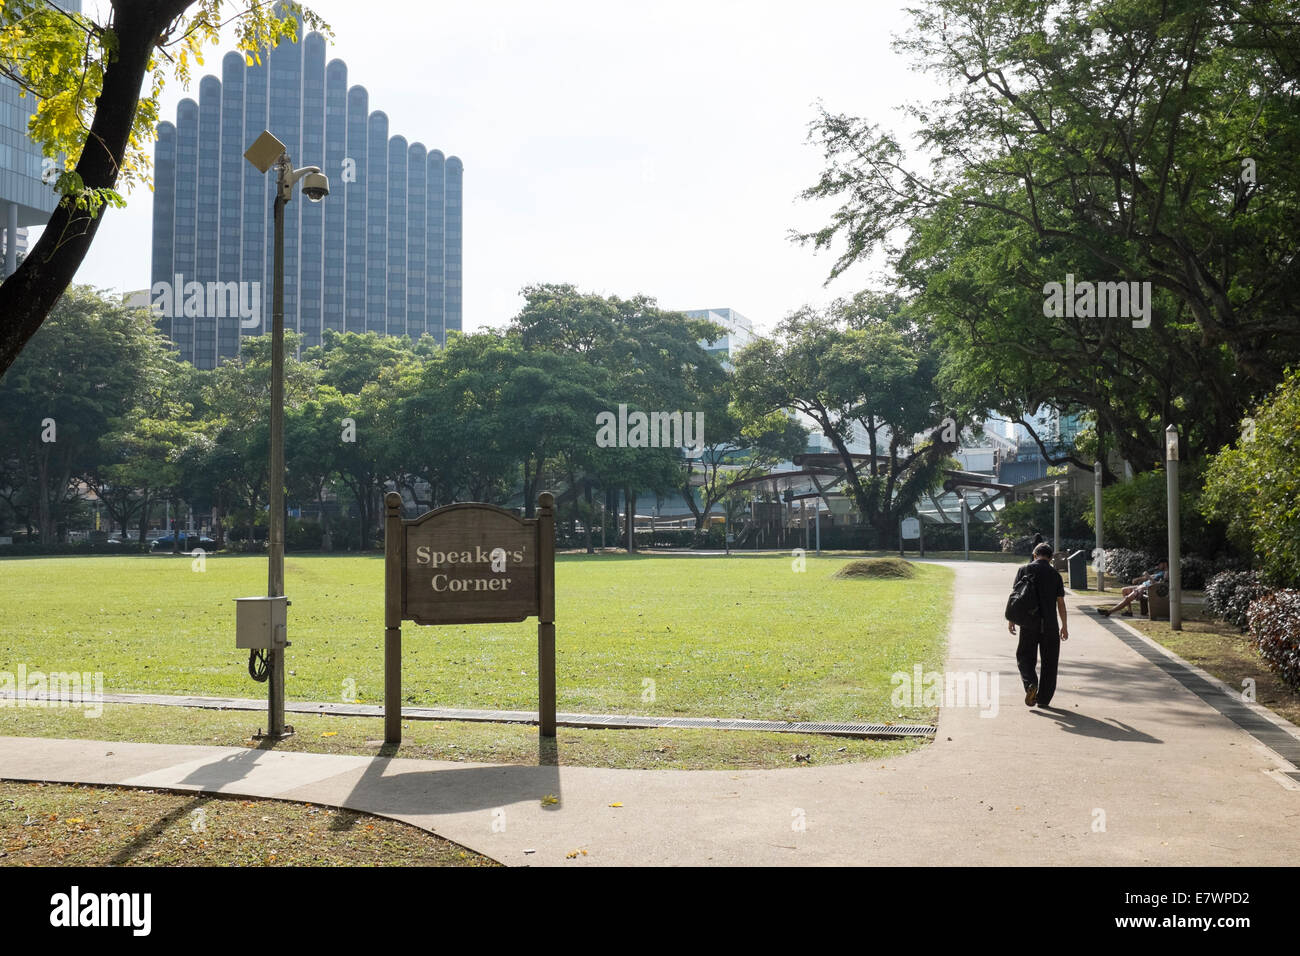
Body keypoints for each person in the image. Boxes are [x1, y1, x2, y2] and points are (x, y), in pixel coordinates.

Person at [1008, 542, 1069, 707]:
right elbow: (1061, 603)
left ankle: (1030, 684)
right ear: (1050, 558)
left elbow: (1016, 597)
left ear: (1035, 555)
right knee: (1050, 662)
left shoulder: (1024, 570)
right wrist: (1064, 625)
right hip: (1050, 624)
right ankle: (1043, 699)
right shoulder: (1055, 575)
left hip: (1029, 623)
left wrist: (1012, 619)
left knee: (1025, 657)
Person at [1099, 559, 1169, 617]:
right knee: (1124, 590)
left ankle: (1109, 612)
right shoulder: (1160, 572)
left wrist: (1148, 577)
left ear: (1165, 564)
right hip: (1142, 586)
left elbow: (1159, 585)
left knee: (1127, 598)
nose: (1158, 565)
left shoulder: (1166, 573)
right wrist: (1138, 579)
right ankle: (1129, 612)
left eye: (1160, 564)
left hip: (1147, 589)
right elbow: (1149, 577)